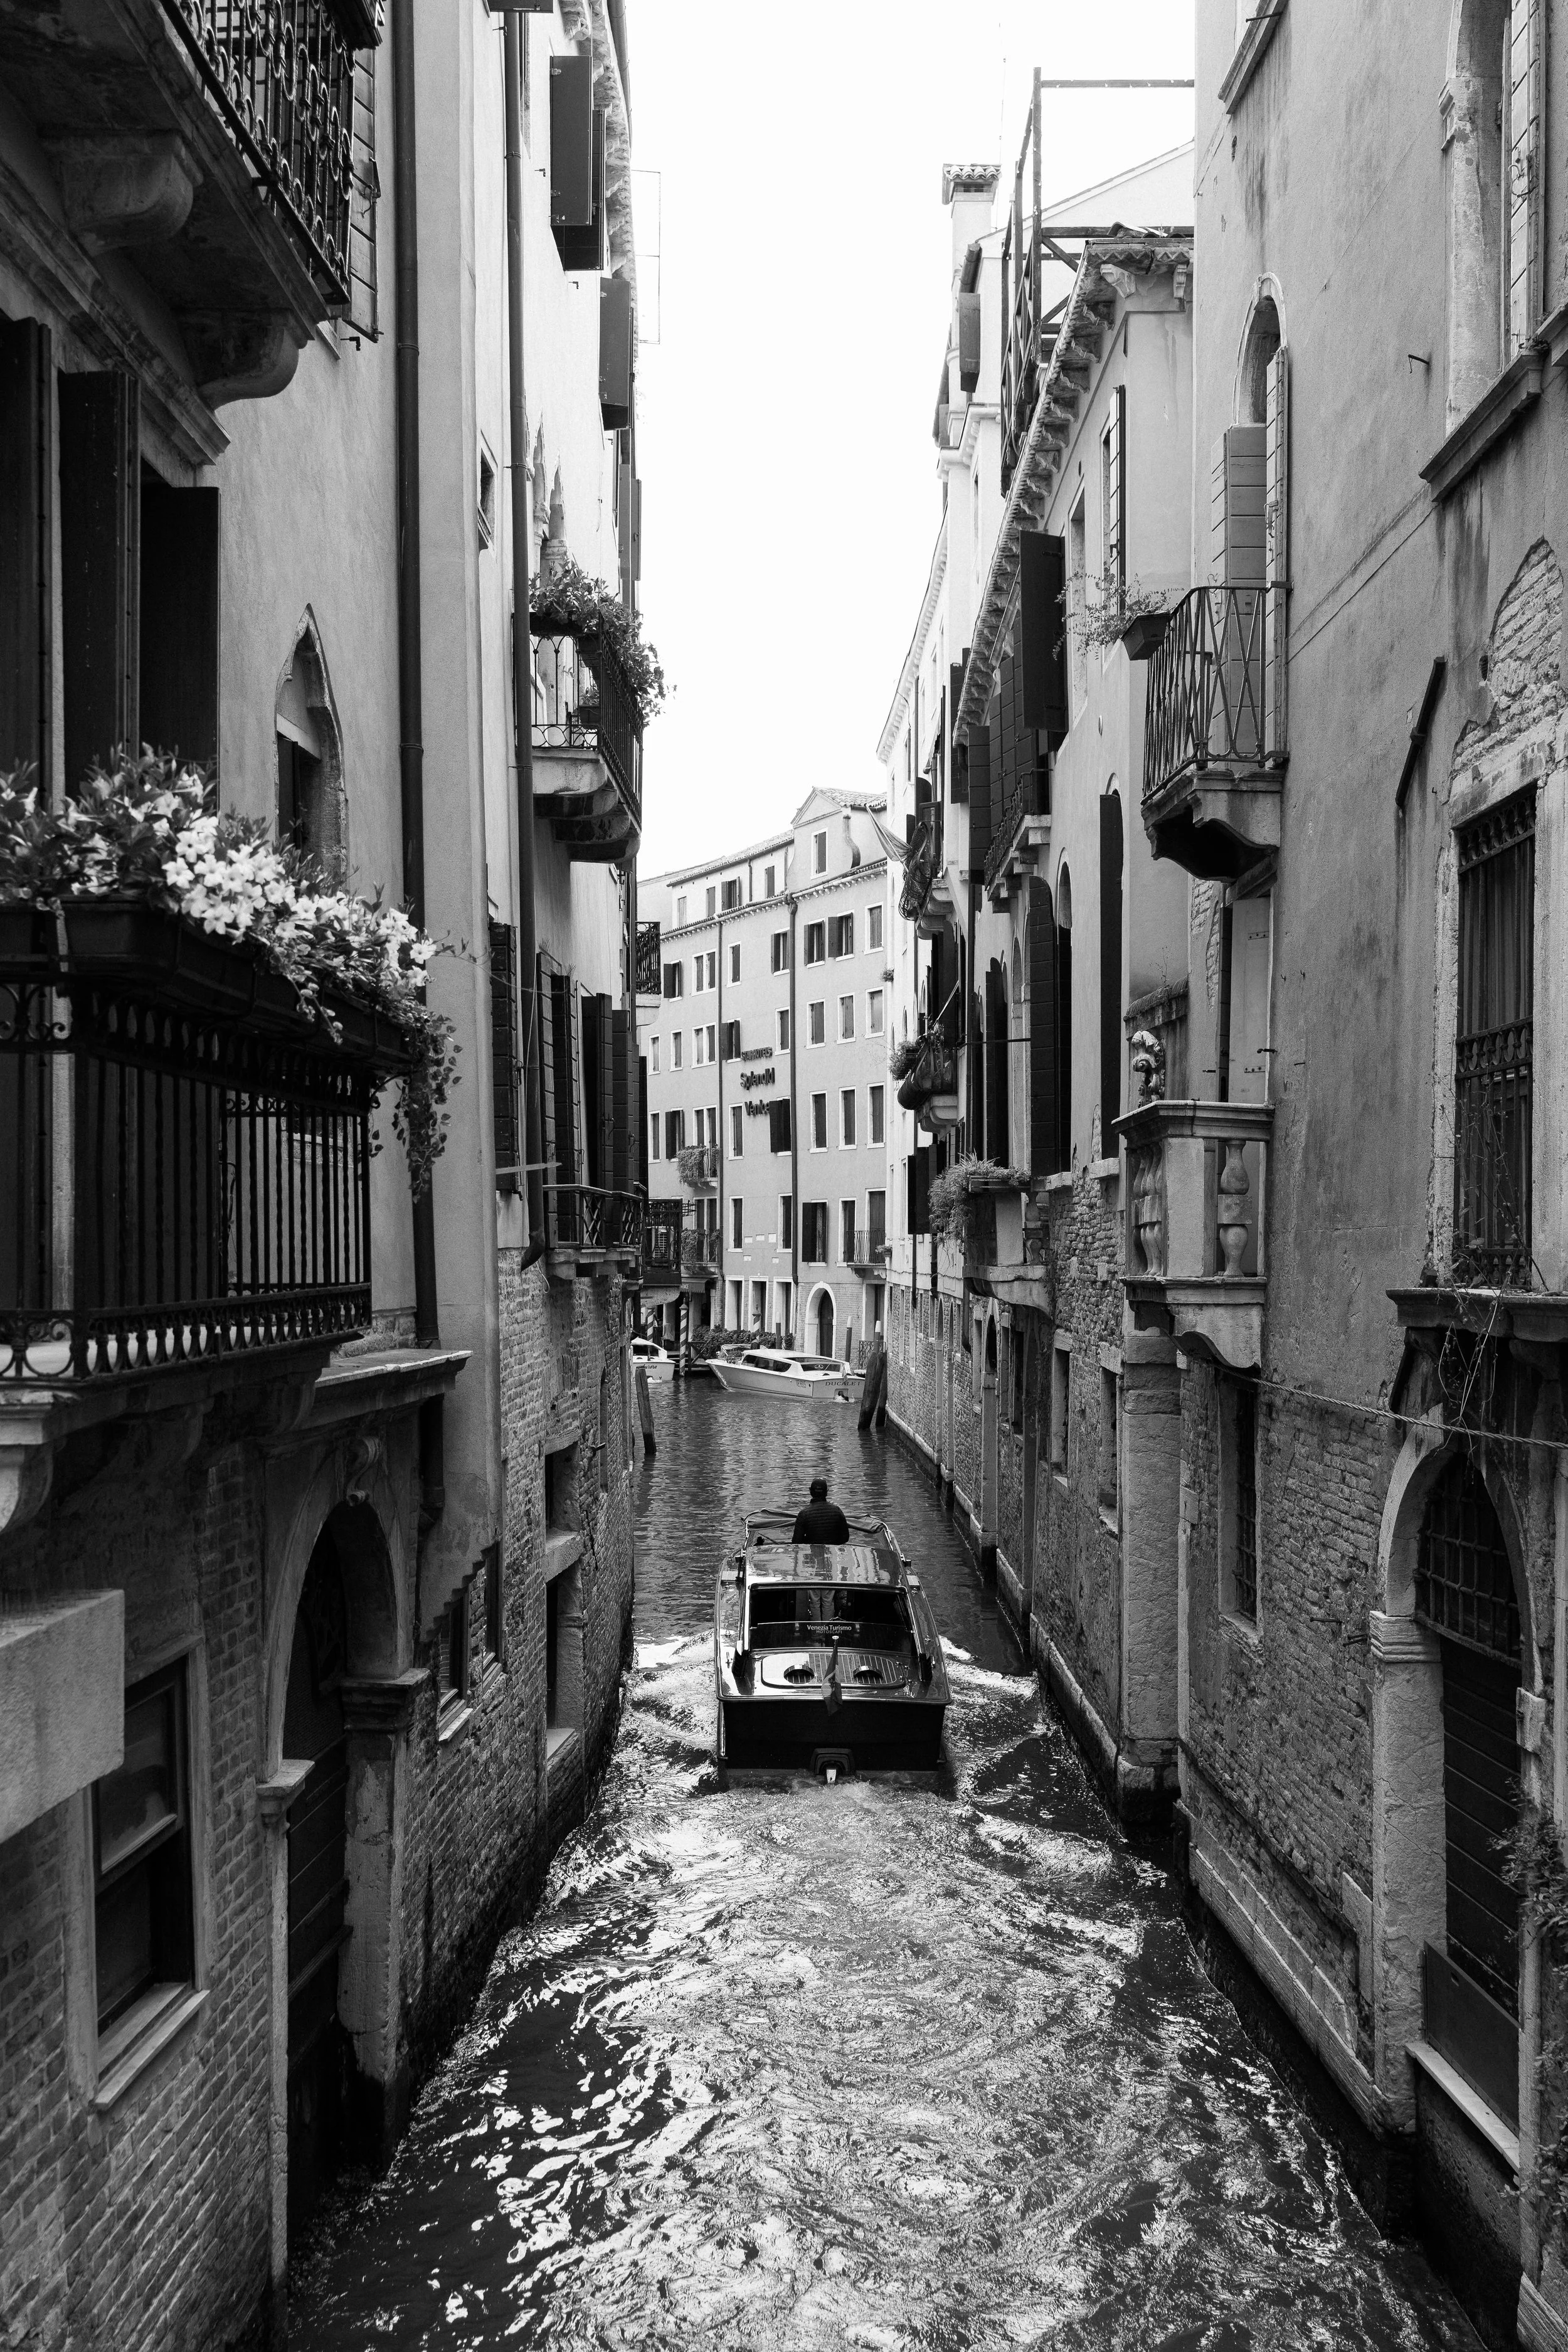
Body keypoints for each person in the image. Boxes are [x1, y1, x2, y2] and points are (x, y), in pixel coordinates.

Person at [792, 1478, 850, 1544]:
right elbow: (845, 1538)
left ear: (810, 1492)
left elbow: (796, 1542)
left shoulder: (803, 1514)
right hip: (832, 1552)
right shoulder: (837, 1511)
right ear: (826, 1492)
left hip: (812, 1552)